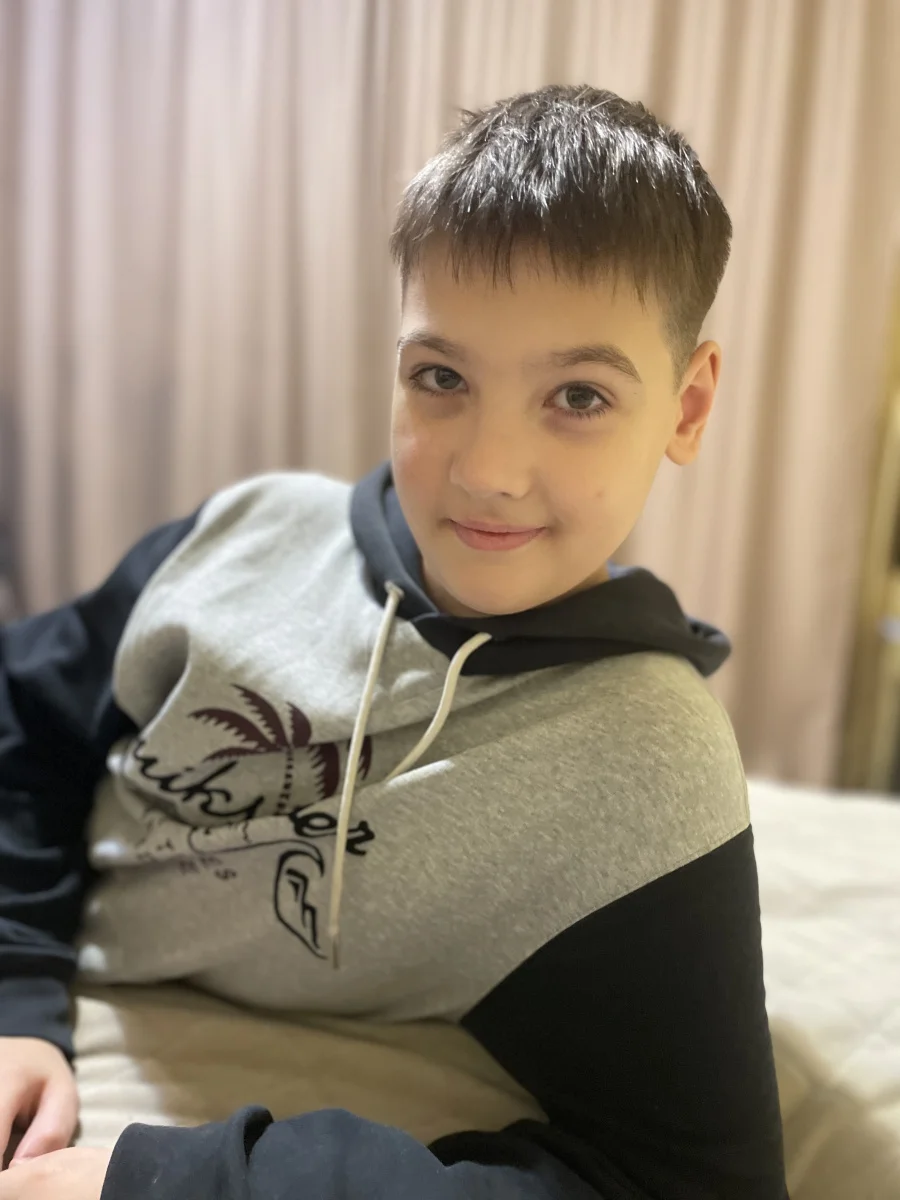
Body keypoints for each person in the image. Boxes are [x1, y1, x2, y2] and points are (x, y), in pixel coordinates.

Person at [0, 84, 787, 1200]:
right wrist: (15, 996)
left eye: (578, 395)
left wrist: (177, 1182)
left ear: (688, 408)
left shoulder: (642, 764)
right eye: (442, 378)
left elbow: (685, 1181)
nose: (488, 471)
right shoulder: (248, 533)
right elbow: (25, 719)